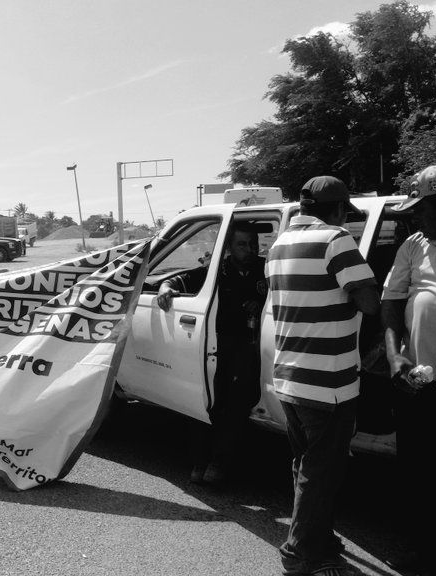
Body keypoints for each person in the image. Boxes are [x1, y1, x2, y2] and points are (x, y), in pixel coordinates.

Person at [267, 176, 379, 576]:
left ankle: (320, 540)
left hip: (290, 377)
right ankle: (300, 555)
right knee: (321, 472)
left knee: (306, 465)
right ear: (335, 210)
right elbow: (369, 301)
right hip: (328, 381)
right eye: (344, 214)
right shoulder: (336, 240)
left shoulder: (278, 245)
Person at [157, 223, 267, 485]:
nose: (250, 249)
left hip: (251, 347)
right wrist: (164, 289)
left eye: (253, 244)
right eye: (242, 244)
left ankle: (219, 463)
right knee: (208, 403)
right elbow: (177, 280)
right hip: (215, 347)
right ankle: (199, 462)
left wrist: (259, 303)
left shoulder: (266, 268)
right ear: (228, 247)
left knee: (237, 406)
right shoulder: (217, 270)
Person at [381, 165, 436, 576]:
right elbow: (390, 303)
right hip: (422, 382)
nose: (419, 217)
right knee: (417, 469)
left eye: (426, 208)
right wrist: (392, 355)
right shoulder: (413, 247)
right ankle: (418, 545)